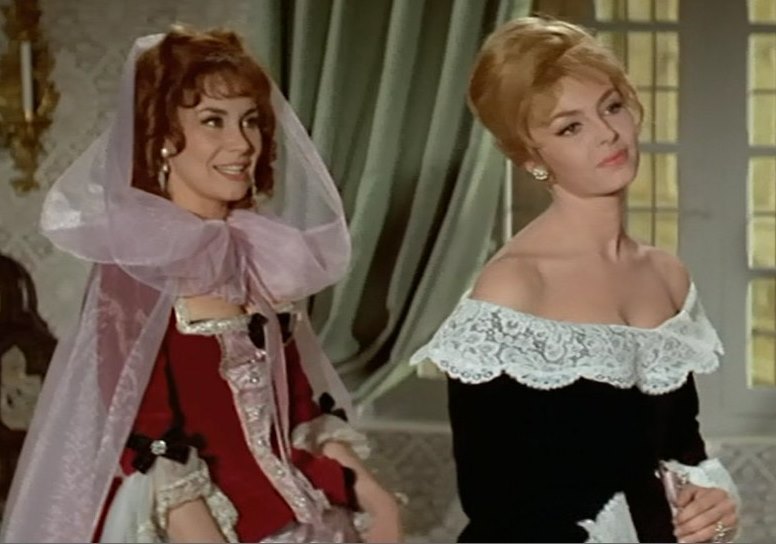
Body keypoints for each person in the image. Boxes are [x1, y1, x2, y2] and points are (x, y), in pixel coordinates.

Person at [0, 26, 401, 543]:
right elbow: (148, 438)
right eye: (214, 120)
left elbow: (301, 409)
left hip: (297, 506)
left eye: (250, 120)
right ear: (164, 137)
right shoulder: (135, 265)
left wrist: (373, 493)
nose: (243, 144)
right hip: (190, 520)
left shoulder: (255, 251)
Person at [410, 16, 740, 543]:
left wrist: (712, 510)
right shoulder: (514, 288)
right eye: (570, 127)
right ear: (531, 156)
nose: (607, 133)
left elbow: (683, 455)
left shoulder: (666, 274)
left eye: (611, 106)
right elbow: (496, 509)